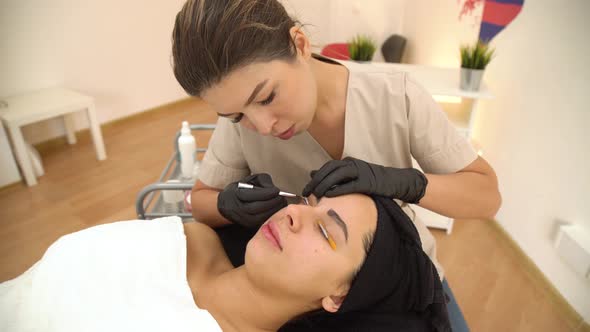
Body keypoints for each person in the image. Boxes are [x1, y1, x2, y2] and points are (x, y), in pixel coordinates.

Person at [172, 0, 500, 330]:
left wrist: (406, 182)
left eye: (267, 97)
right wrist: (228, 204)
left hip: (390, 282)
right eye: (237, 115)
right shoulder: (241, 124)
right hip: (300, 287)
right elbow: (201, 201)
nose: (263, 125)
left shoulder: (395, 96)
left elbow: (487, 196)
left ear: (299, 44)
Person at [0, 194, 451, 332]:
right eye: (312, 204)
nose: (294, 214)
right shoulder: (193, 237)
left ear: (339, 294)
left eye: (326, 230)